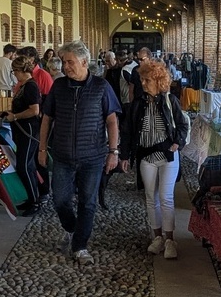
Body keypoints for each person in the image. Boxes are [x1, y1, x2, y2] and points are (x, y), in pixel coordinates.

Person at [37, 41, 121, 266]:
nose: (66, 67)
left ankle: (80, 246)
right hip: (62, 155)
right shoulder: (59, 86)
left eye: (70, 62)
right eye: (64, 62)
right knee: (60, 199)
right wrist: (42, 148)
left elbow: (112, 121)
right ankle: (73, 228)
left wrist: (113, 151)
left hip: (92, 156)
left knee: (88, 202)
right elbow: (47, 119)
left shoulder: (101, 87)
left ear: (84, 62)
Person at [120, 60, 188, 259]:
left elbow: (182, 125)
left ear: (159, 81)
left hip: (167, 156)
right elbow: (127, 131)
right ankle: (157, 237)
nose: (143, 83)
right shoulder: (137, 104)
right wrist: (124, 155)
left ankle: (170, 240)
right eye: (142, 79)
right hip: (146, 156)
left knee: (166, 197)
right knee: (151, 198)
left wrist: (177, 143)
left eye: (147, 80)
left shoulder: (170, 101)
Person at [0, 55, 42, 216]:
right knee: (27, 166)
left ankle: (35, 202)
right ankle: (32, 198)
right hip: (21, 130)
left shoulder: (30, 86)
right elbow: (20, 107)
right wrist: (3, 113)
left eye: (14, 71)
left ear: (22, 70)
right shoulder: (23, 86)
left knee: (24, 166)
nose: (14, 74)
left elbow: (34, 110)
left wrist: (15, 116)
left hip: (28, 130)